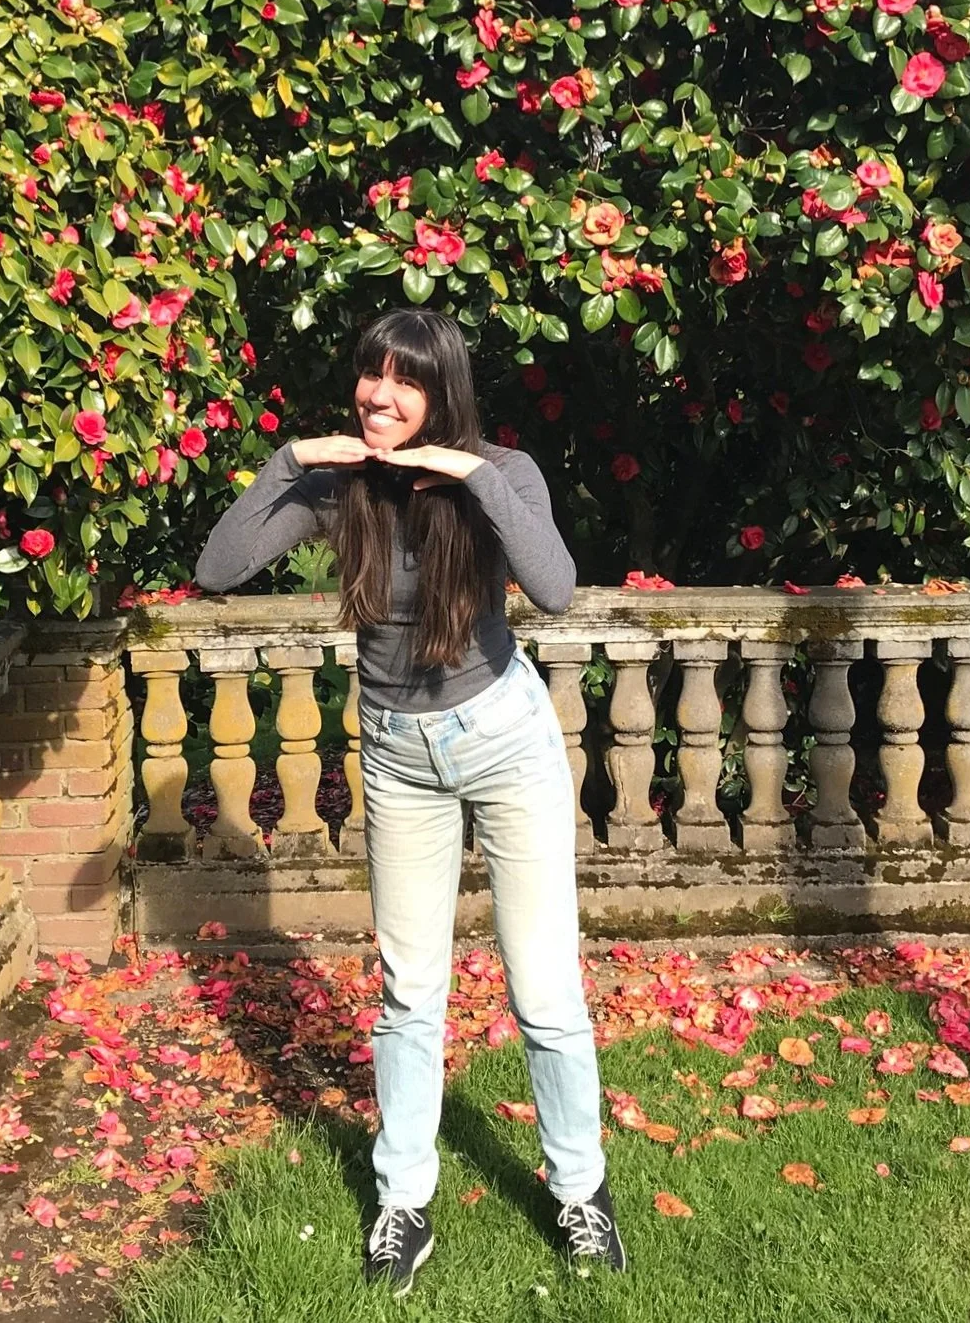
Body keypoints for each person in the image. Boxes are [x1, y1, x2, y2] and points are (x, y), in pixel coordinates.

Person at [192, 308, 624, 1296]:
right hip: (395, 757)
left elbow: (555, 587)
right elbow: (217, 568)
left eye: (404, 382)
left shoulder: (504, 474)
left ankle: (582, 1192)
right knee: (408, 992)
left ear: (442, 392)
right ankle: (402, 1204)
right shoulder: (339, 484)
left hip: (504, 744)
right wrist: (292, 457)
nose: (379, 398)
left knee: (545, 991)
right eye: (368, 377)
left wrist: (468, 474)